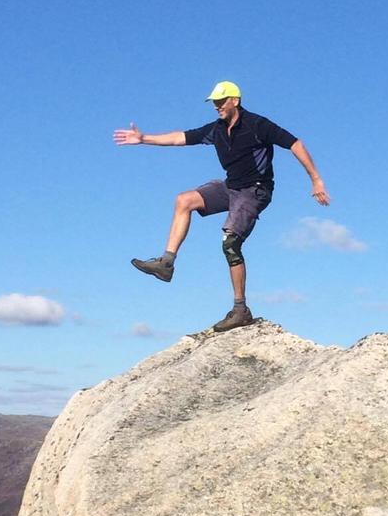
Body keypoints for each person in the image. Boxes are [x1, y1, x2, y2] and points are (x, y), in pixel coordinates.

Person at [113, 80, 330, 331]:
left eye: (221, 101)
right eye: (214, 102)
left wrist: (316, 180)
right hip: (231, 187)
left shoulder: (257, 125)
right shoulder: (216, 129)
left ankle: (241, 309)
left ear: (235, 101)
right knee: (184, 200)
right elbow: (180, 138)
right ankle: (166, 264)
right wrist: (143, 138)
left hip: (255, 190)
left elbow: (296, 144)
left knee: (230, 243)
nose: (217, 106)